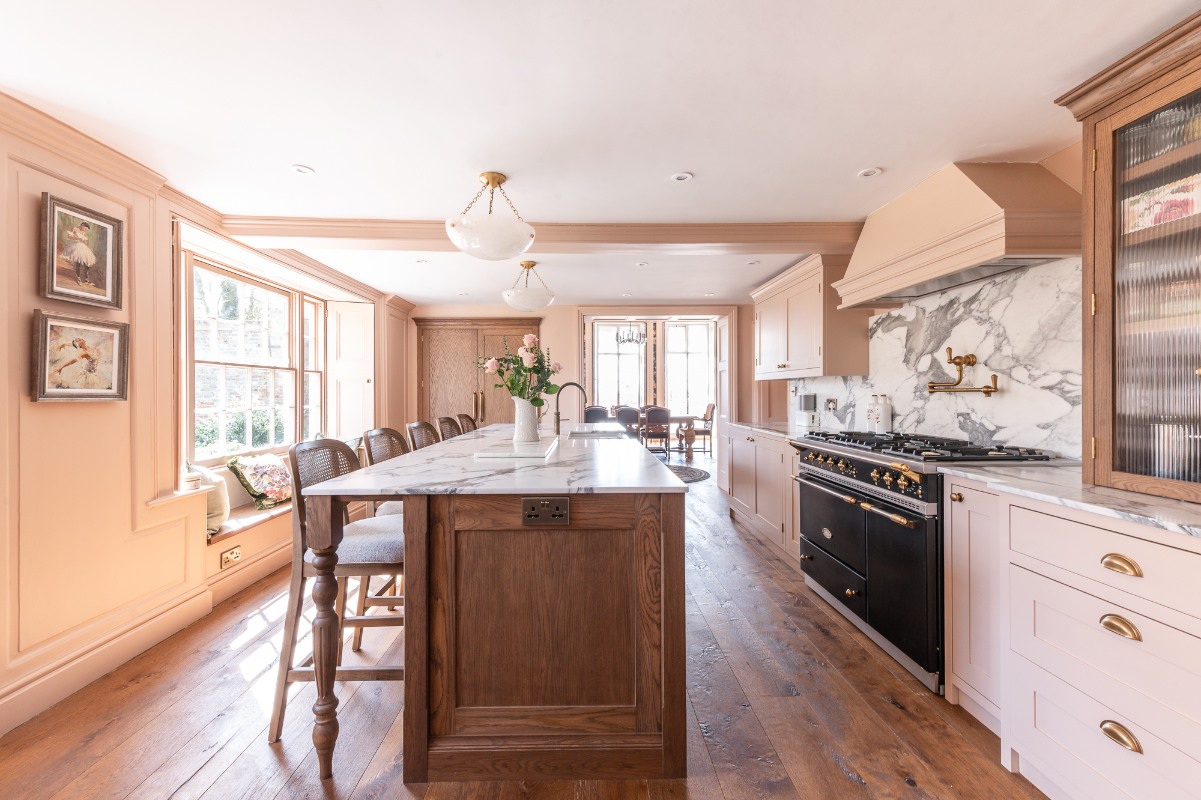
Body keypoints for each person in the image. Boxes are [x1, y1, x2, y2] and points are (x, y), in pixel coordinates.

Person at [62, 221, 97, 286]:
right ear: (82, 225)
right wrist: (79, 238)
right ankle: (78, 278)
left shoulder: (83, 232)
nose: (85, 230)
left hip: (82, 247)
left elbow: (83, 241)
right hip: (76, 246)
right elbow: (69, 237)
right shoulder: (74, 229)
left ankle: (86, 280)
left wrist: (84, 241)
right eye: (85, 228)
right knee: (78, 263)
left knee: (87, 261)